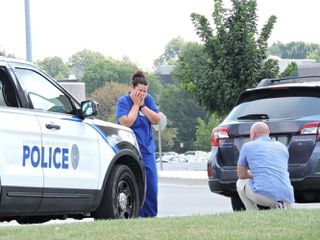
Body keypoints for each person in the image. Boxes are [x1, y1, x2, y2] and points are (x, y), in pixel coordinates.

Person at [116, 70, 160, 217]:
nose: (142, 94)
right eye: (139, 90)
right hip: (131, 150)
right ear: (132, 88)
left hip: (147, 150)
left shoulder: (148, 100)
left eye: (145, 91)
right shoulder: (123, 102)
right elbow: (126, 122)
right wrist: (135, 105)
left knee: (151, 186)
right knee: (135, 183)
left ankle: (151, 215)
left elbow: (156, 119)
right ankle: (135, 214)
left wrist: (142, 106)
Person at [236, 121, 295, 210]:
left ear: (253, 134)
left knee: (240, 182)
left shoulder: (247, 146)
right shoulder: (282, 147)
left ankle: (252, 214)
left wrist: (254, 175)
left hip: (264, 196)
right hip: (287, 197)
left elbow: (241, 174)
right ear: (268, 133)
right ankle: (280, 207)